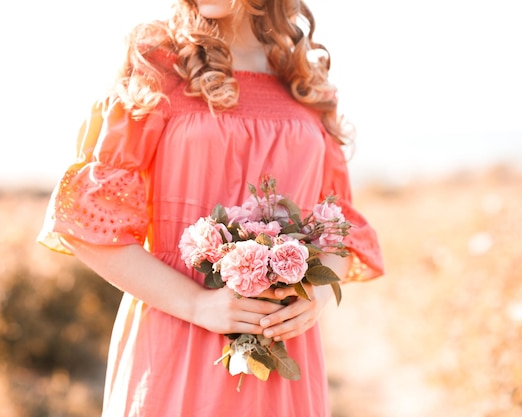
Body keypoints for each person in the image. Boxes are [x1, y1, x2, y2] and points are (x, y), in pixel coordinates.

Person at [38, 0, 384, 416]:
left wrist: (319, 296)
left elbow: (339, 228)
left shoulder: (302, 77)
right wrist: (198, 305)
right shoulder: (157, 60)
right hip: (176, 334)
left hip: (282, 349)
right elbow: (87, 223)